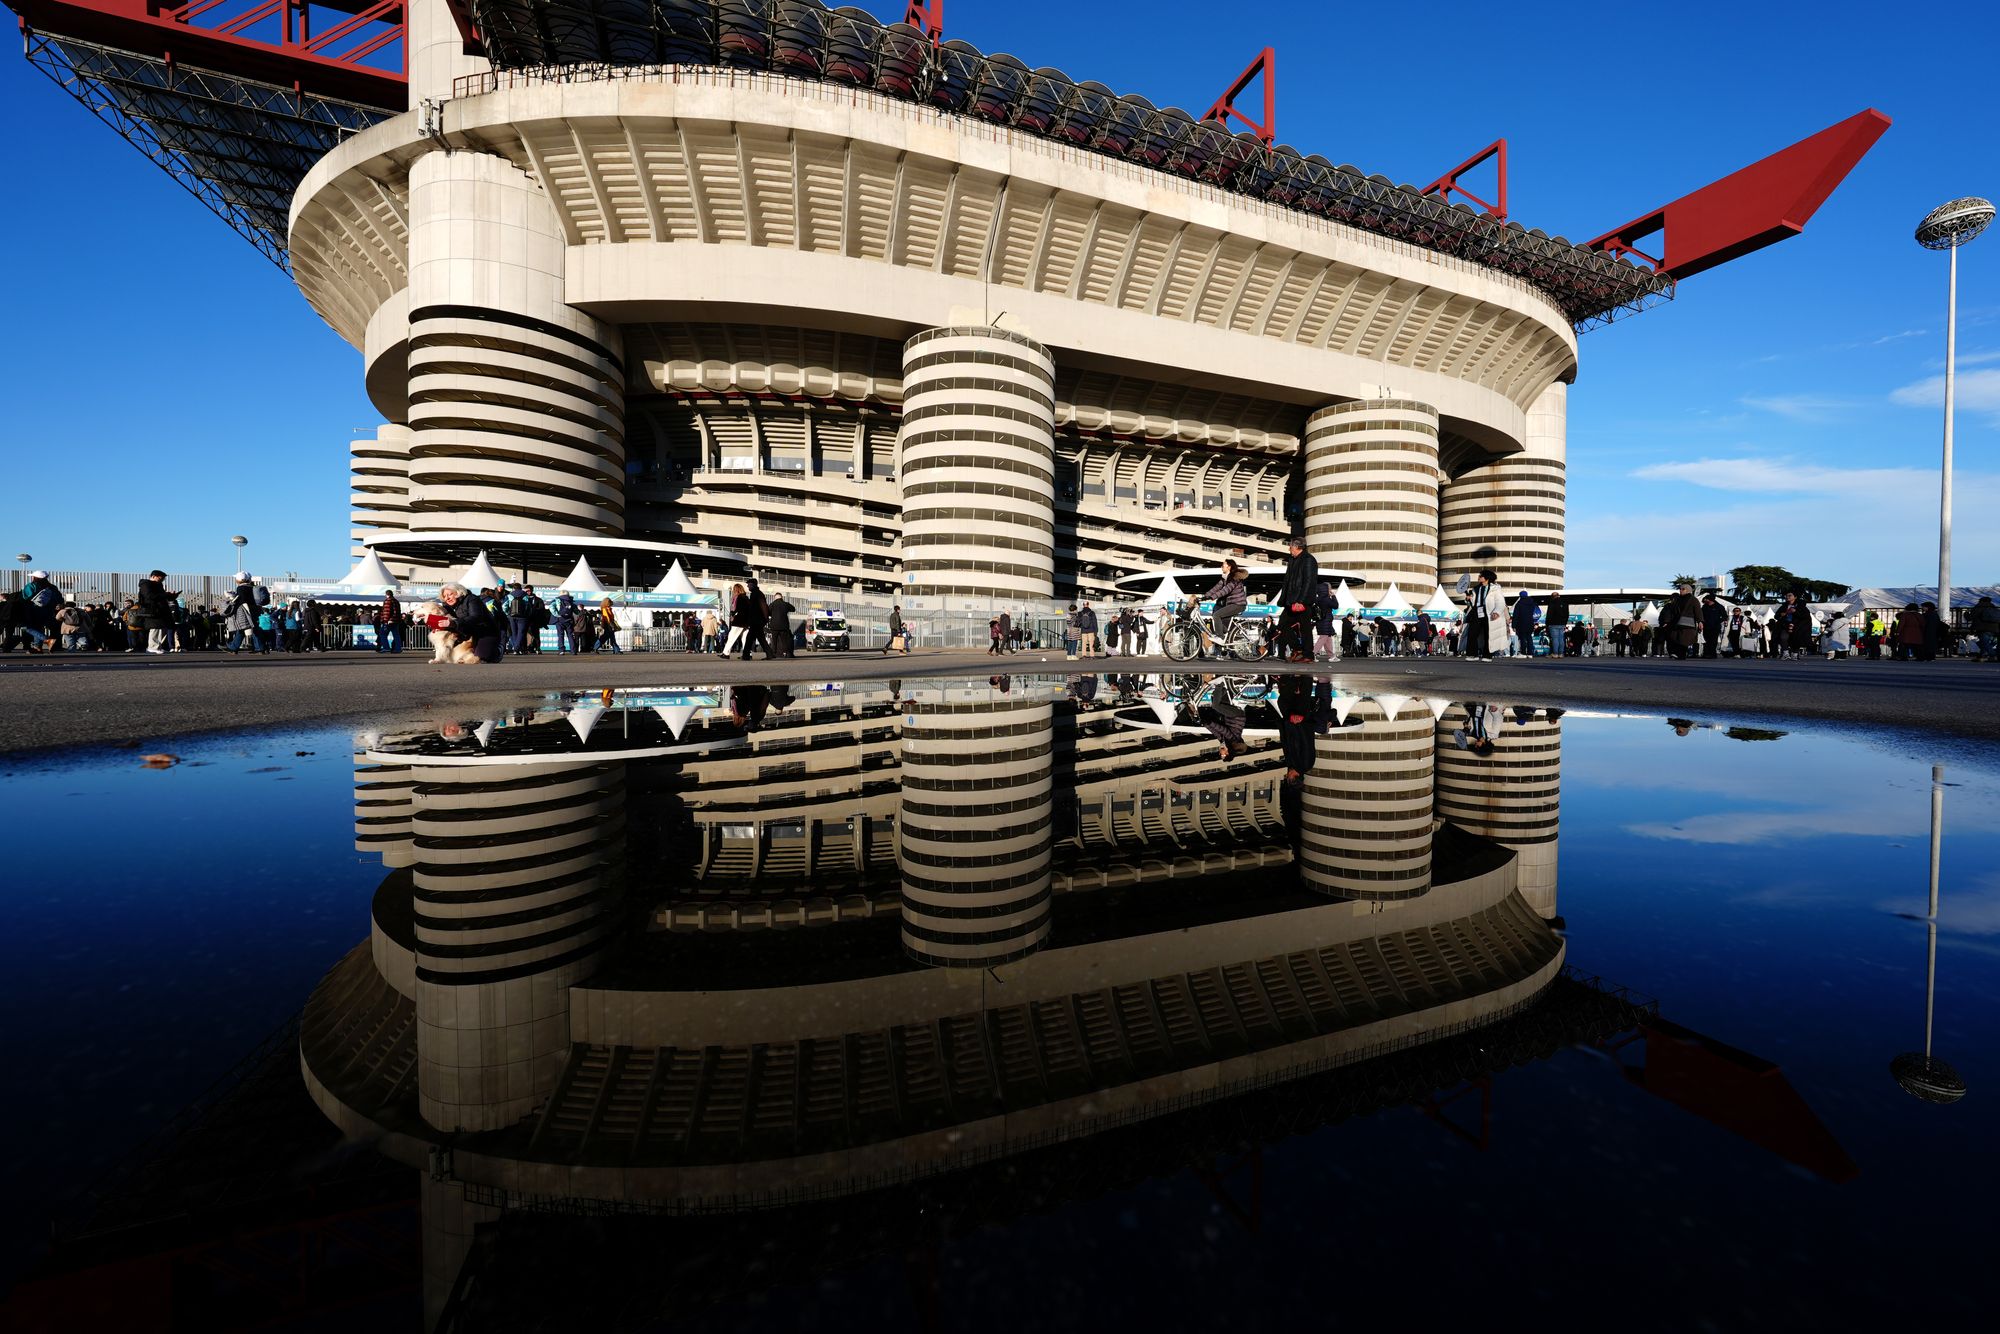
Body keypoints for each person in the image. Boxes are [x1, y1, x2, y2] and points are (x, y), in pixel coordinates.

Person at [434, 582, 503, 662]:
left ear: (458, 592)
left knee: (481, 657)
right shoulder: (447, 606)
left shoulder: (472, 599)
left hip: (485, 632)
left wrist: (454, 623)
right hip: (466, 633)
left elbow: (476, 617)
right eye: (444, 596)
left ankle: (497, 651)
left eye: (450, 594)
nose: (447, 598)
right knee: (454, 656)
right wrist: (440, 627)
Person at [1276, 535, 1318, 662]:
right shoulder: (1292, 560)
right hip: (1290, 600)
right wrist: (1284, 599)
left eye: (1290, 547)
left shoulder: (1308, 560)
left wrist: (1301, 601)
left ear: (1297, 547)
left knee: (1305, 628)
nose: (1289, 549)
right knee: (1282, 625)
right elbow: (1288, 581)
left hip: (1302, 601)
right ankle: (1298, 648)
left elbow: (1309, 582)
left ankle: (1308, 654)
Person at [1199, 561, 1249, 659]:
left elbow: (1225, 591)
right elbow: (1216, 588)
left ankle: (1221, 637)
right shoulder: (1225, 578)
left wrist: (1212, 597)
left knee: (1216, 615)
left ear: (1229, 567)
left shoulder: (1234, 578)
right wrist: (1204, 597)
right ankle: (1230, 636)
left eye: (1223, 565)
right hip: (1232, 604)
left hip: (1238, 604)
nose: (1221, 566)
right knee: (1221, 621)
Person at [135, 570, 174, 655]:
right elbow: (149, 596)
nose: (162, 580)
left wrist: (171, 596)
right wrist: (165, 594)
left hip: (161, 610)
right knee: (155, 628)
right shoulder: (146, 584)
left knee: (162, 628)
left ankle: (158, 646)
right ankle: (152, 647)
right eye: (160, 578)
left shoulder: (159, 585)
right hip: (152, 610)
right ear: (153, 576)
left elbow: (161, 597)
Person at [1661, 582, 1702, 660]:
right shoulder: (1678, 599)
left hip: (1688, 623)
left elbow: (1698, 611)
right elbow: (1671, 611)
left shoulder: (1693, 600)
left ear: (1688, 590)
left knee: (1684, 640)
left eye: (1683, 589)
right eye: (1680, 589)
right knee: (1674, 637)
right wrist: (1667, 621)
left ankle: (1681, 655)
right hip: (1676, 623)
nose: (1680, 590)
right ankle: (1676, 654)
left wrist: (1700, 621)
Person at [1463, 571, 1497, 661]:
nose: (1478, 577)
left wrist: (1496, 612)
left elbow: (1499, 601)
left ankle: (1487, 655)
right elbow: (1472, 602)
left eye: (1480, 576)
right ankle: (1472, 654)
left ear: (1487, 578)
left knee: (1488, 634)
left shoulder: (1495, 588)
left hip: (1489, 612)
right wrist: (1468, 599)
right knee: (1472, 633)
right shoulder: (1476, 588)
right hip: (1476, 611)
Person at [735, 578, 769, 659]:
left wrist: (765, 618)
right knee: (759, 638)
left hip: (757, 620)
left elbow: (763, 606)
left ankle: (746, 655)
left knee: (750, 638)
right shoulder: (755, 593)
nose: (747, 586)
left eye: (749, 584)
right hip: (756, 620)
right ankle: (769, 654)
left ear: (753, 585)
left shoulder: (757, 594)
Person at [766, 589, 796, 658]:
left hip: (774, 626)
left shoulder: (772, 604)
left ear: (775, 598)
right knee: (784, 640)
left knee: (774, 640)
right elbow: (793, 609)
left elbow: (768, 613)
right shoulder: (785, 604)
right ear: (781, 597)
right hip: (784, 626)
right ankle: (786, 653)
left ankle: (773, 653)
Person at [1510, 591, 1538, 659]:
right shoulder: (1532, 603)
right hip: (1530, 623)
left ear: (1520, 596)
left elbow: (1516, 615)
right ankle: (1530, 653)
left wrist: (1514, 625)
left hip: (1521, 623)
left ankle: (1523, 653)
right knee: (1529, 638)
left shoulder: (1519, 603)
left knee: (1522, 638)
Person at [1972, 595, 2000, 662]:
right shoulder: (1993, 607)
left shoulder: (1979, 607)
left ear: (1981, 601)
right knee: (1985, 642)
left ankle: (1993, 655)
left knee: (1984, 643)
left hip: (1983, 628)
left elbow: (1970, 617)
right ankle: (1981, 656)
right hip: (1995, 628)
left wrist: (1966, 614)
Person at [1700, 592, 1725, 660]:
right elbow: (1701, 615)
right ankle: (1706, 653)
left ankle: (1712, 654)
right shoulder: (1704, 607)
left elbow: (1724, 616)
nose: (1705, 600)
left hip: (1715, 627)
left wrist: (1718, 621)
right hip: (1706, 626)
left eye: (1706, 599)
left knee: (1713, 641)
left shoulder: (1719, 607)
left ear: (1710, 600)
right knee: (1706, 640)